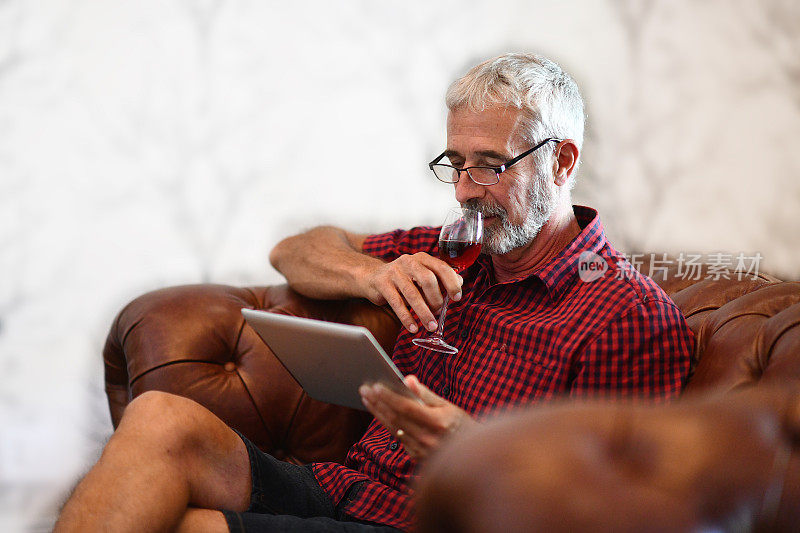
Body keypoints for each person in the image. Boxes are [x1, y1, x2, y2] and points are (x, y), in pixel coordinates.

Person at [55, 53, 694, 533]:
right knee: (161, 417)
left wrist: (484, 456)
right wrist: (372, 275)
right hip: (354, 489)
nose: (466, 191)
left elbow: (629, 508)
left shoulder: (625, 315)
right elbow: (296, 250)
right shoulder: (458, 249)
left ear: (562, 161)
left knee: (189, 527)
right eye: (455, 163)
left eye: (490, 165)